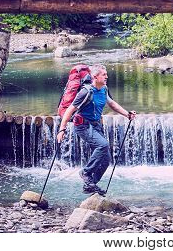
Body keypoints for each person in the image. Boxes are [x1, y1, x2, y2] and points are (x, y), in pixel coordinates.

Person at [56, 64, 136, 195]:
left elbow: (112, 104)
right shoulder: (86, 92)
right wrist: (62, 129)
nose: (106, 77)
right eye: (103, 75)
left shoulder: (104, 89)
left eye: (106, 74)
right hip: (82, 126)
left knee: (106, 160)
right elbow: (70, 109)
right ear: (95, 76)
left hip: (96, 126)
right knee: (103, 145)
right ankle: (85, 172)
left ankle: (90, 184)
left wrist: (127, 114)